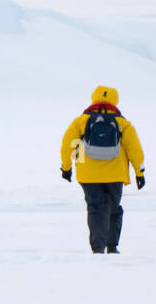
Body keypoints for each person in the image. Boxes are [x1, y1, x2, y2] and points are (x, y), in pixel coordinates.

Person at [60, 85, 146, 254]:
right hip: (115, 174)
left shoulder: (80, 121)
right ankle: (112, 247)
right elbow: (134, 149)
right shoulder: (123, 123)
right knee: (114, 209)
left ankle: (97, 248)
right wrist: (139, 172)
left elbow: (68, 145)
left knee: (95, 208)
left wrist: (66, 167)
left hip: (88, 174)